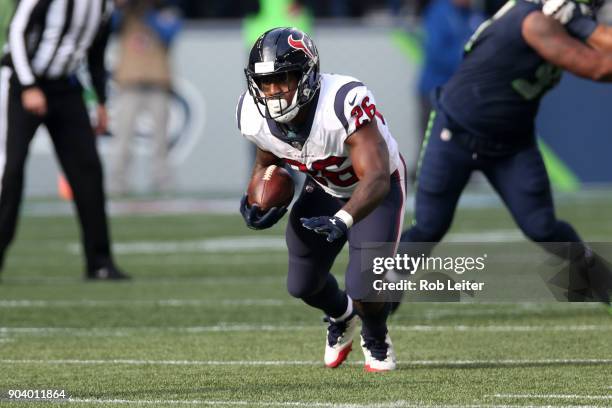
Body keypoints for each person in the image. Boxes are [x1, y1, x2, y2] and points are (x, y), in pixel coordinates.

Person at [395, 0, 612, 306]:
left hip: (511, 141)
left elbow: (602, 40)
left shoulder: (561, 21)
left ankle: (591, 277)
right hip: (456, 133)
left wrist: (584, 26)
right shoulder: (533, 21)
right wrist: (582, 26)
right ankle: (383, 286)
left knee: (542, 226)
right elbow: (599, 67)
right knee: (430, 225)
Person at [236, 27, 408, 371]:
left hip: (375, 192)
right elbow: (266, 161)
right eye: (266, 83)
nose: (274, 92)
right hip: (325, 188)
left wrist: (343, 219)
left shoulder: (342, 101)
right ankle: (341, 315)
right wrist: (254, 199)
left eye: (284, 79)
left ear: (308, 75)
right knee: (301, 283)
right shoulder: (253, 115)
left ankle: (375, 335)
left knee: (364, 288)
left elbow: (375, 177)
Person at [0, 0, 128, 280]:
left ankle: (99, 262)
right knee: (10, 171)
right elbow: (17, 32)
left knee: (88, 171)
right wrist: (28, 85)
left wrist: (101, 100)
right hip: (19, 85)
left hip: (65, 87)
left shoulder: (103, 6)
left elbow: (96, 51)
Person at [111, 0, 182, 194]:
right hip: (129, 84)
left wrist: (148, 11)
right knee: (123, 137)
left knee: (161, 139)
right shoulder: (124, 14)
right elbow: (109, 26)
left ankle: (162, 182)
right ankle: (118, 182)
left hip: (157, 83)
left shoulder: (166, 12)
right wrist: (122, 6)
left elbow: (169, 34)